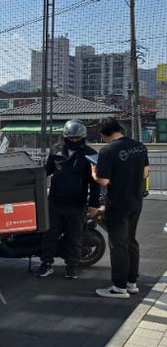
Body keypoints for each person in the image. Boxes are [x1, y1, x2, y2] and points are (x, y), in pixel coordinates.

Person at [91, 117, 150, 299]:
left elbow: (104, 181)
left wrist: (94, 173)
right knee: (131, 241)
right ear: (119, 129)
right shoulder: (139, 146)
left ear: (102, 134)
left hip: (117, 203)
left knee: (118, 245)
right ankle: (132, 283)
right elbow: (145, 172)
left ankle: (119, 287)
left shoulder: (107, 151)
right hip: (136, 201)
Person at [37, 120, 100, 279]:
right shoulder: (56, 149)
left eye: (77, 138)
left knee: (75, 237)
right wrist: (33, 178)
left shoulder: (90, 154)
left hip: (77, 204)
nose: (74, 140)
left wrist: (93, 204)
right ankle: (46, 264)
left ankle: (72, 267)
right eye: (71, 137)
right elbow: (47, 170)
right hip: (55, 201)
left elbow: (95, 182)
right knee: (49, 235)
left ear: (83, 137)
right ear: (65, 136)